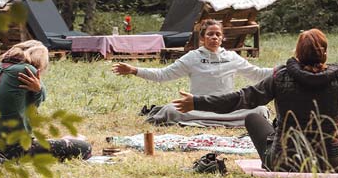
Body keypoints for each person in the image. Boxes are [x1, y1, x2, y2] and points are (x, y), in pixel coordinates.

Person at [172, 28, 338, 172]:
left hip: (283, 160)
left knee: (254, 116)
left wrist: (197, 102)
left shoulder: (279, 76)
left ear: (298, 52)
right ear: (324, 53)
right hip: (331, 162)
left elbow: (240, 99)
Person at [112, 19, 273, 126]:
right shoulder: (193, 57)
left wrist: (282, 69)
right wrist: (134, 70)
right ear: (203, 38)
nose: (214, 37)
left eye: (218, 34)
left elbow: (257, 74)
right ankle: (216, 120)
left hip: (227, 108)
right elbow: (163, 74)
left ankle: (216, 120)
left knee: (260, 111)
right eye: (210, 34)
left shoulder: (232, 57)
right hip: (198, 108)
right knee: (170, 110)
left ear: (222, 38)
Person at [0, 40, 91, 161]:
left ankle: (67, 140)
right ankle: (69, 140)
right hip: (13, 150)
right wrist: (39, 89)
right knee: (84, 147)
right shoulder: (28, 70)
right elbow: (36, 104)